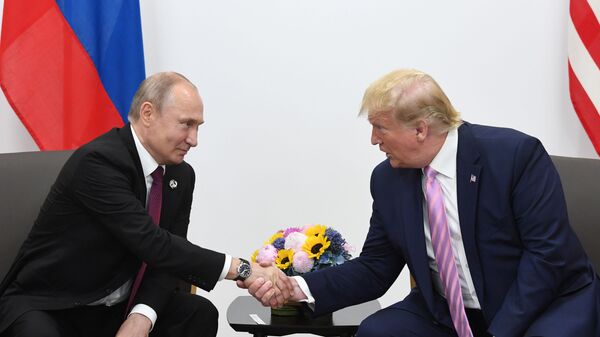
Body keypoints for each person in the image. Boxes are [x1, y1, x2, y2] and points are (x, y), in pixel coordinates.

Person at [245, 69, 600, 336]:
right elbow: (375, 267)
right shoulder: (388, 179)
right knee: (376, 332)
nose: (373, 140)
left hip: (543, 305)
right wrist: (297, 288)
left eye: (380, 128)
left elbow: (546, 257)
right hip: (449, 313)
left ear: (420, 129)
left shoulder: (514, 156)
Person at [0, 72, 291, 337]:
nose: (194, 140)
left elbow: (168, 258)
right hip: (54, 306)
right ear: (148, 113)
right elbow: (153, 243)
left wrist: (142, 317)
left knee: (198, 314)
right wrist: (243, 269)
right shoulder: (99, 162)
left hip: (116, 308)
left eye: (198, 127)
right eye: (186, 125)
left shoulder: (180, 175)